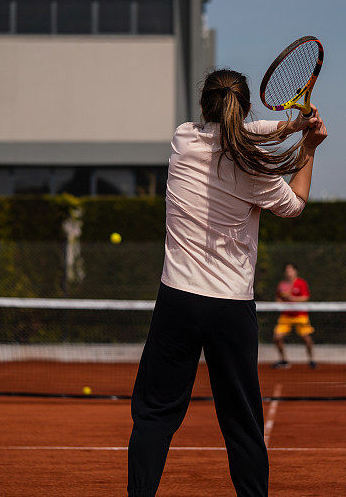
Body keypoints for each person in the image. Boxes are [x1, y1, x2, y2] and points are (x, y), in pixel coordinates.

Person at [127, 69, 327, 497]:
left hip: (177, 300)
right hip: (230, 309)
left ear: (203, 107)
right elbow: (293, 206)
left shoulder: (183, 138)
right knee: (243, 425)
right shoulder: (254, 169)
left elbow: (240, 131)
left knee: (154, 417)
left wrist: (293, 124)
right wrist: (307, 147)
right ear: (246, 106)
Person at [272, 263, 316, 369]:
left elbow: (305, 298)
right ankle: (283, 361)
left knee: (307, 339)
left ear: (295, 271)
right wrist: (281, 302)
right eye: (287, 271)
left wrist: (292, 298)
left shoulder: (301, 283)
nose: (289, 273)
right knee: (277, 337)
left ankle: (312, 360)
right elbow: (278, 299)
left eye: (290, 270)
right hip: (286, 316)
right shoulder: (282, 284)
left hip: (300, 315)